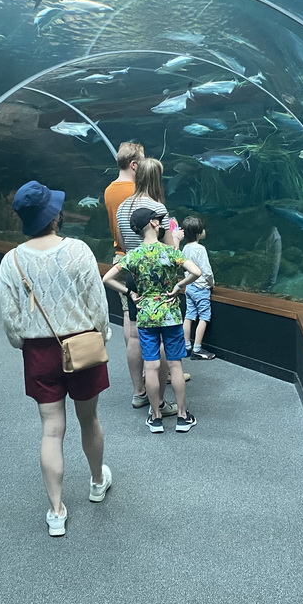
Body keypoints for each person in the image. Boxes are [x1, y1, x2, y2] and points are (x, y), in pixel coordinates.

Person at [0, 181, 113, 537]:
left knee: (51, 429)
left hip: (39, 353)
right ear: (54, 215)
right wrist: (102, 334)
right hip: (81, 345)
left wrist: (23, 343)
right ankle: (97, 481)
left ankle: (56, 511)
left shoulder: (11, 260)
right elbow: (97, 302)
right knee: (89, 417)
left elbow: (10, 318)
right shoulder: (78, 250)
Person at [103, 207, 202, 433]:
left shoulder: (134, 255)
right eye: (158, 221)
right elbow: (195, 272)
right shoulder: (169, 252)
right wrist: (178, 286)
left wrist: (130, 293)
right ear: (154, 225)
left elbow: (107, 278)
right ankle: (182, 416)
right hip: (171, 316)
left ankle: (156, 418)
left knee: (151, 364)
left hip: (145, 316)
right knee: (175, 365)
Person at [114, 157, 188, 414]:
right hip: (159, 280)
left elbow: (125, 244)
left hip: (134, 275)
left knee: (135, 335)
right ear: (157, 178)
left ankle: (139, 393)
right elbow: (168, 250)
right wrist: (177, 237)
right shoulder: (157, 209)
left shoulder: (122, 207)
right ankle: (161, 401)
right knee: (166, 337)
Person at [103, 142, 152, 409]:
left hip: (120, 257)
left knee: (129, 322)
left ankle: (139, 383)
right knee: (156, 320)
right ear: (134, 165)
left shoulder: (109, 190)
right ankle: (159, 371)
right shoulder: (137, 192)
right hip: (142, 259)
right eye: (142, 162)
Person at [181, 215, 217, 360]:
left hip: (189, 286)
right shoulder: (200, 249)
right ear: (198, 233)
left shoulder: (185, 248)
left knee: (189, 315)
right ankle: (197, 348)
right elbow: (206, 270)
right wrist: (211, 283)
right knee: (204, 316)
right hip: (201, 288)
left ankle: (186, 346)